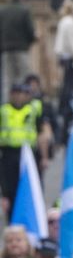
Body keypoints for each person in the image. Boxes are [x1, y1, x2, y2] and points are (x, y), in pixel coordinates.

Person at [0, 82, 41, 217]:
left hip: (27, 155)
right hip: (8, 153)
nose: (19, 97)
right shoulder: (4, 110)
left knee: (28, 188)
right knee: (9, 190)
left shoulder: (32, 110)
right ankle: (12, 217)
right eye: (16, 93)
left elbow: (41, 131)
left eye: (22, 94)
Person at [0, 0, 36, 102]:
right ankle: (23, 102)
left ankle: (6, 104)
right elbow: (30, 31)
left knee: (7, 79)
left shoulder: (3, 10)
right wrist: (30, 41)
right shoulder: (24, 10)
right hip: (21, 49)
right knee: (23, 77)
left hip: (6, 49)